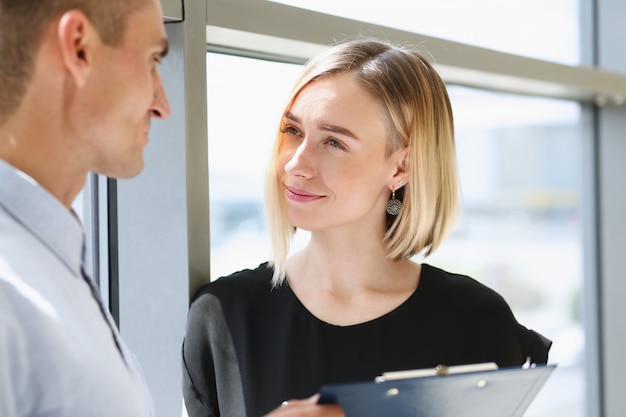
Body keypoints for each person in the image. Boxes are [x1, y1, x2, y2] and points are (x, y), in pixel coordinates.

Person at [182, 38, 551, 417]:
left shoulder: (476, 320)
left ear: (401, 167)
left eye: (333, 142)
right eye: (293, 131)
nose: (296, 164)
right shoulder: (224, 314)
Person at [0, 0, 171, 415]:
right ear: (79, 48)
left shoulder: (48, 261)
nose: (162, 105)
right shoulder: (11, 294)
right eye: (152, 60)